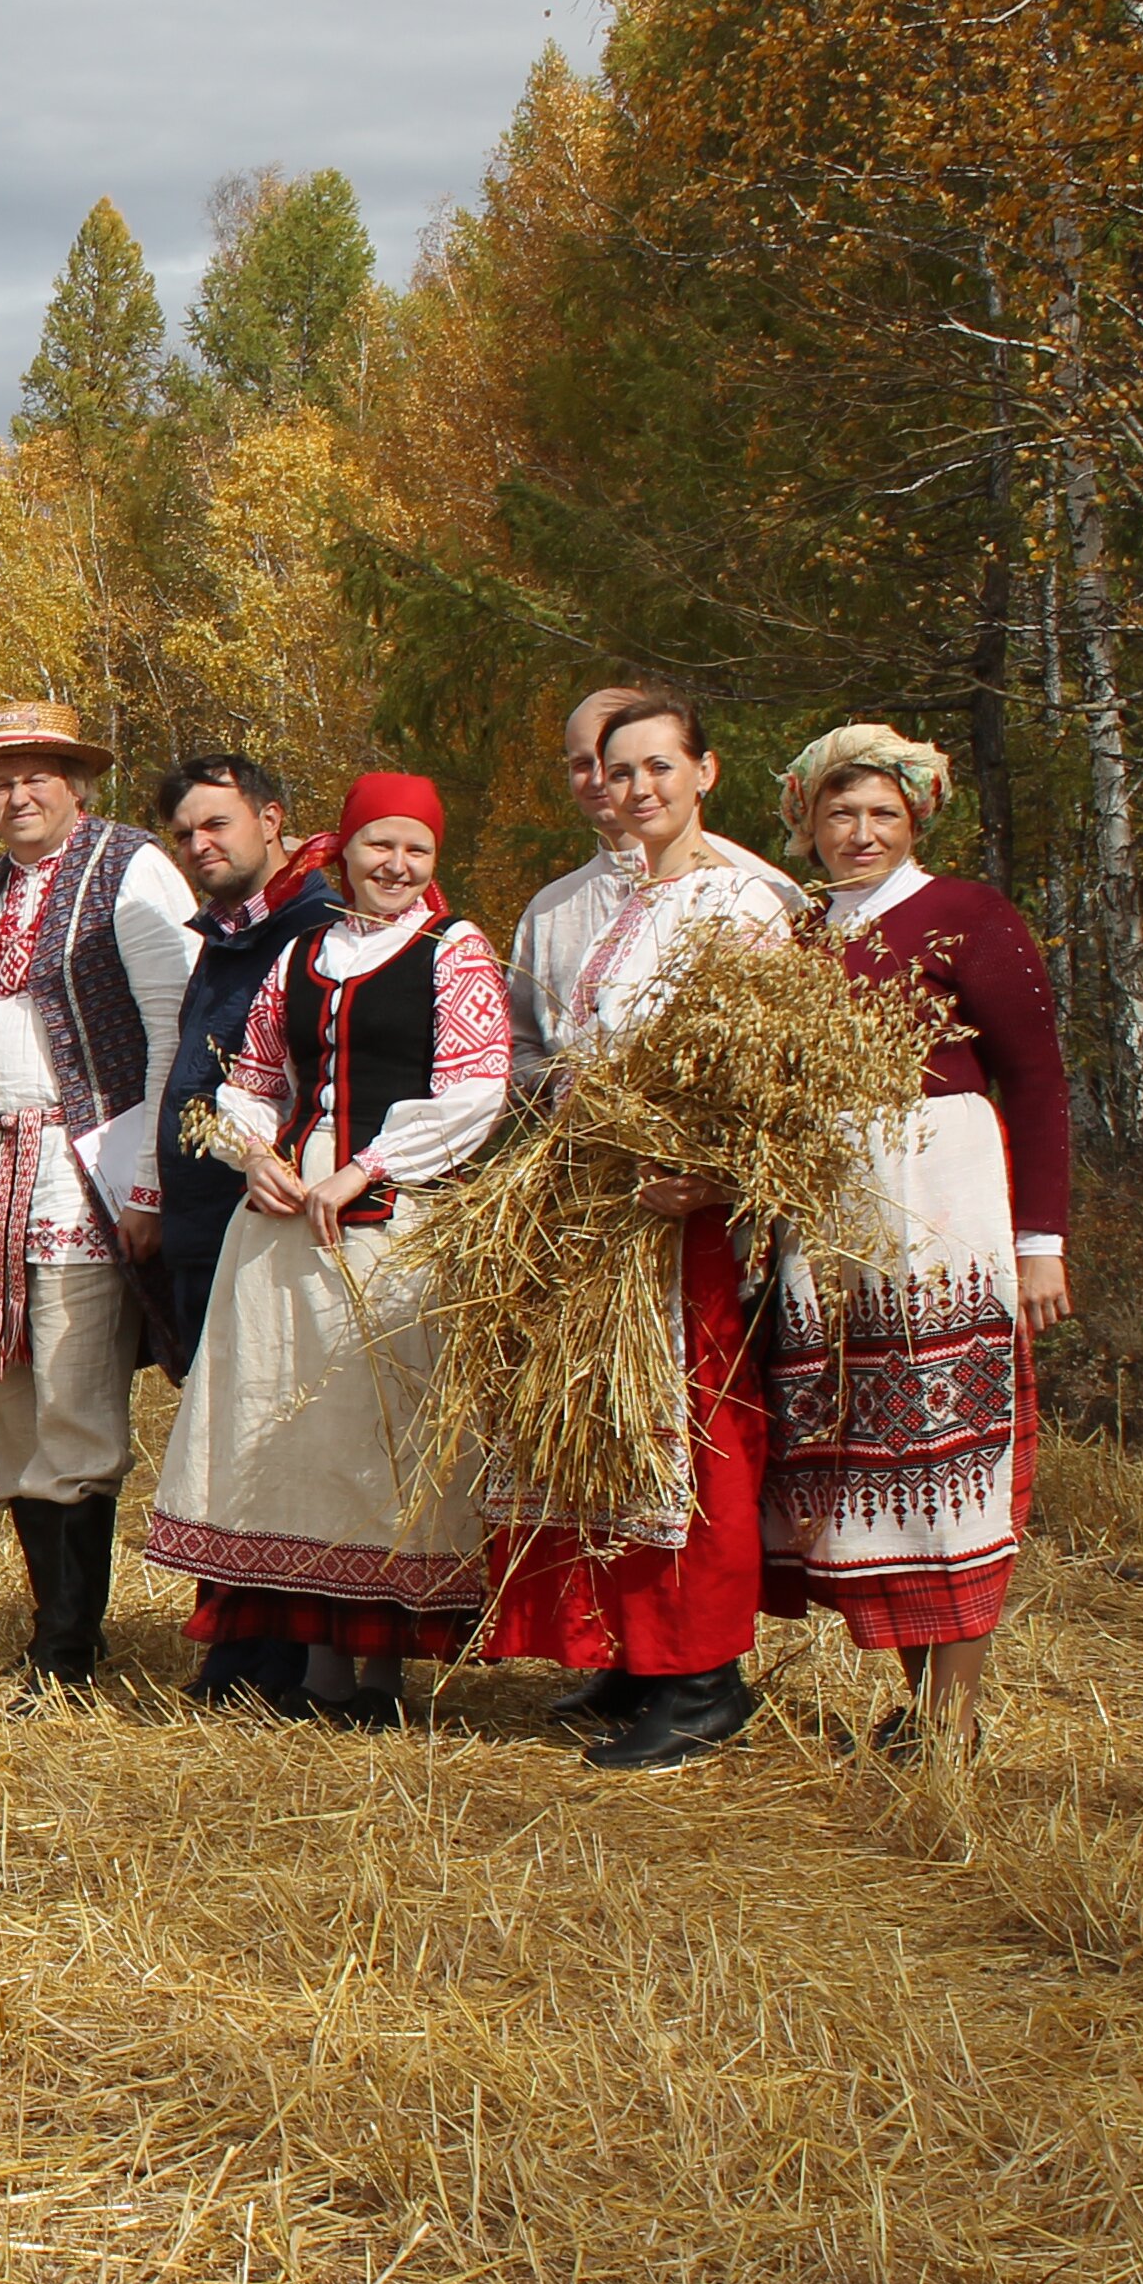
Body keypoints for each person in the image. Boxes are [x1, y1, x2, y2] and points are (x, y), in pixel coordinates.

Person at [478, 686, 810, 1769]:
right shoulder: (622, 901)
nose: (637, 789)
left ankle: (705, 1675)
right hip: (605, 1204)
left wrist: (711, 1175)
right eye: (620, 772)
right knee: (614, 1433)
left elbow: (777, 1075)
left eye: (659, 767)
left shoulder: (744, 901)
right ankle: (639, 1650)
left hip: (686, 1219)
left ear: (704, 771)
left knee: (692, 1438)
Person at [142, 777, 511, 1724]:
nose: (396, 866)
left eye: (416, 851)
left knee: (377, 1435)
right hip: (282, 1226)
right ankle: (315, 1672)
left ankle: (380, 1677)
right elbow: (253, 1075)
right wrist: (252, 1152)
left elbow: (474, 1091)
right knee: (291, 1432)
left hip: (399, 1220)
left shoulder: (453, 950)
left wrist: (366, 1170)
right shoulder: (305, 951)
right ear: (343, 852)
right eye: (378, 846)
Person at [757, 724, 1072, 1757]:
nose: (861, 832)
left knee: (952, 1452)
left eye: (882, 813)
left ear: (917, 817)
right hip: (834, 1210)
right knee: (866, 1456)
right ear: (807, 824)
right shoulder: (798, 937)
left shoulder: (968, 917)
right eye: (840, 813)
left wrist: (1041, 1241)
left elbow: (1034, 1079)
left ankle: (953, 1716)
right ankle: (913, 1698)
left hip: (943, 1195)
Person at [0, 702, 198, 1694]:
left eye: (37, 775)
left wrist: (149, 1177)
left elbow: (171, 1030)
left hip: (85, 1163)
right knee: (16, 1394)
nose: (16, 794)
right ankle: (53, 1623)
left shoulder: (130, 866)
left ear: (77, 782)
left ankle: (69, 1645)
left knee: (76, 1389)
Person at [146, 752, 342, 1712]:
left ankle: (295, 1657)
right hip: (200, 1220)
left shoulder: (322, 930)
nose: (201, 845)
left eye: (218, 825)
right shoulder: (224, 938)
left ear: (273, 820)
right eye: (186, 833)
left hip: (276, 1218)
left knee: (285, 1433)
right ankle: (234, 1646)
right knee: (226, 1431)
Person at [503, 684, 648, 1084]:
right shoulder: (551, 908)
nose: (599, 779)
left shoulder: (734, 885)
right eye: (582, 764)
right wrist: (560, 1086)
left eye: (613, 761)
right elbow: (517, 1043)